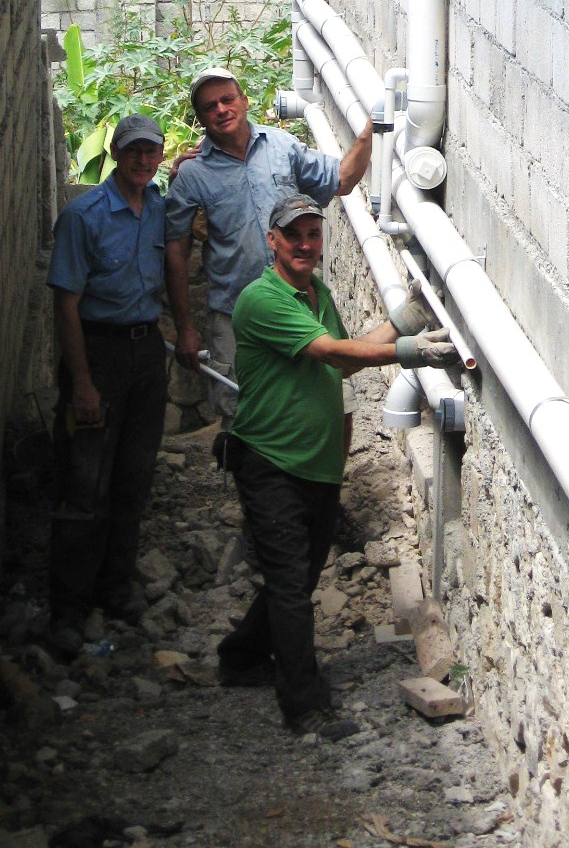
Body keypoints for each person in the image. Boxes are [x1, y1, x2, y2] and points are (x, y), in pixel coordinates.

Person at [216, 194, 457, 736]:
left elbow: (343, 361)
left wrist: (405, 321)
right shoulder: (262, 299)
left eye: (313, 234)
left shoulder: (317, 293)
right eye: (293, 235)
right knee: (289, 584)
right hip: (269, 461)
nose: (305, 245)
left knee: (297, 578)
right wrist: (414, 350)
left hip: (316, 464)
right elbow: (330, 352)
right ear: (272, 241)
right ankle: (305, 705)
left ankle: (241, 657)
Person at [47, 114, 202, 656]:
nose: (142, 160)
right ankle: (68, 608)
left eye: (151, 152)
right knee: (85, 479)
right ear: (115, 153)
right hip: (98, 352)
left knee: (133, 477)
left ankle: (115, 589)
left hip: (144, 352)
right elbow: (65, 305)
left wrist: (183, 328)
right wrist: (82, 382)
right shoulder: (83, 216)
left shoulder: (157, 206)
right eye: (133, 150)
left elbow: (176, 257)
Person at [165, 67, 373, 426]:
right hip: (235, 313)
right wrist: (185, 327)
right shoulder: (192, 174)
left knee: (326, 398)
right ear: (200, 117)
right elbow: (175, 251)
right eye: (210, 106)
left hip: (297, 305)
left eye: (227, 99)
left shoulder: (282, 147)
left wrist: (370, 130)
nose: (221, 109)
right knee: (239, 411)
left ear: (244, 101)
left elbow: (341, 180)